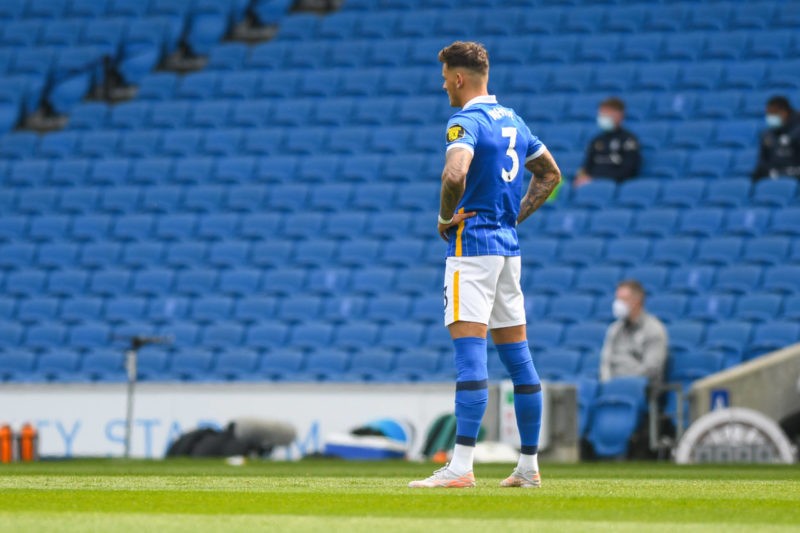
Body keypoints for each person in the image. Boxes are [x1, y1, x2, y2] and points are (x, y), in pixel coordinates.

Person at [408, 42, 561, 489]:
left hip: (471, 249)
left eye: (444, 77)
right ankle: (529, 466)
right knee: (519, 358)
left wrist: (443, 218)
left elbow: (455, 174)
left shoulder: (465, 122)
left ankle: (461, 466)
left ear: (458, 78)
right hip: (508, 250)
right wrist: (512, 218)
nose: (442, 86)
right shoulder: (513, 120)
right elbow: (549, 173)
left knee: (470, 356)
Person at [599, 280, 668, 384]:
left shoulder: (654, 329)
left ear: (637, 301)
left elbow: (652, 369)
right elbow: (605, 362)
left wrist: (625, 383)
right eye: (617, 299)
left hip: (640, 389)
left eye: (623, 299)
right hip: (613, 387)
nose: (617, 304)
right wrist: (607, 384)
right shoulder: (614, 329)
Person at [574, 97, 641, 187]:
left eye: (606, 114)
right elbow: (586, 166)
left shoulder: (628, 140)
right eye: (601, 114)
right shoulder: (597, 140)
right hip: (592, 184)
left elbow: (629, 170)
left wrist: (597, 179)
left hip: (614, 185)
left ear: (619, 115)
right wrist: (582, 176)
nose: (602, 117)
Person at [752, 95, 800, 181]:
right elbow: (762, 162)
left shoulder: (797, 132)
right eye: (768, 114)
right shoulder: (767, 134)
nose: (770, 117)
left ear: (784, 112)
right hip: (772, 177)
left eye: (773, 113)